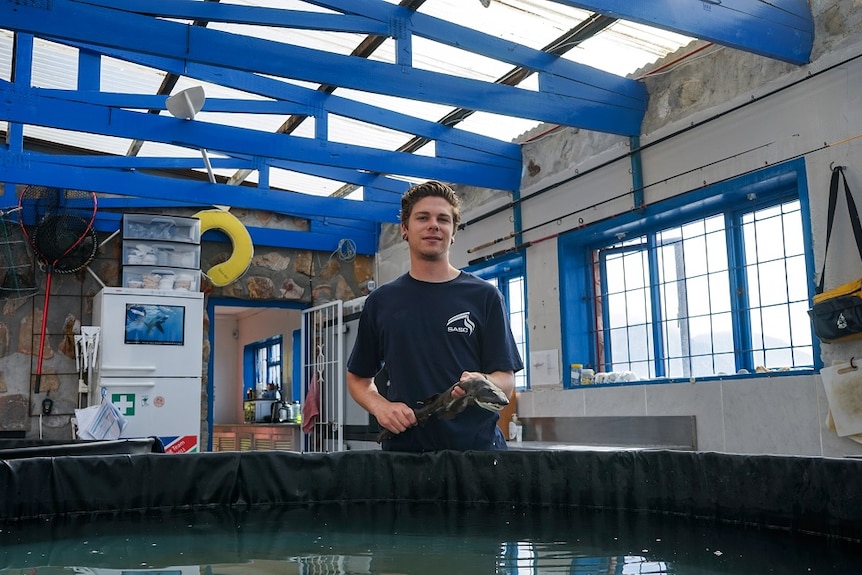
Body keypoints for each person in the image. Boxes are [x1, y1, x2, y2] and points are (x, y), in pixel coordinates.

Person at [346, 180, 524, 452]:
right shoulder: (381, 302)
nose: (434, 225)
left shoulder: (485, 296)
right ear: (405, 229)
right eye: (423, 217)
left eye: (443, 219)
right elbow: (358, 378)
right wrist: (380, 406)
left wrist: (481, 381)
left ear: (453, 232)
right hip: (406, 453)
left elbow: (506, 382)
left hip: (478, 455)